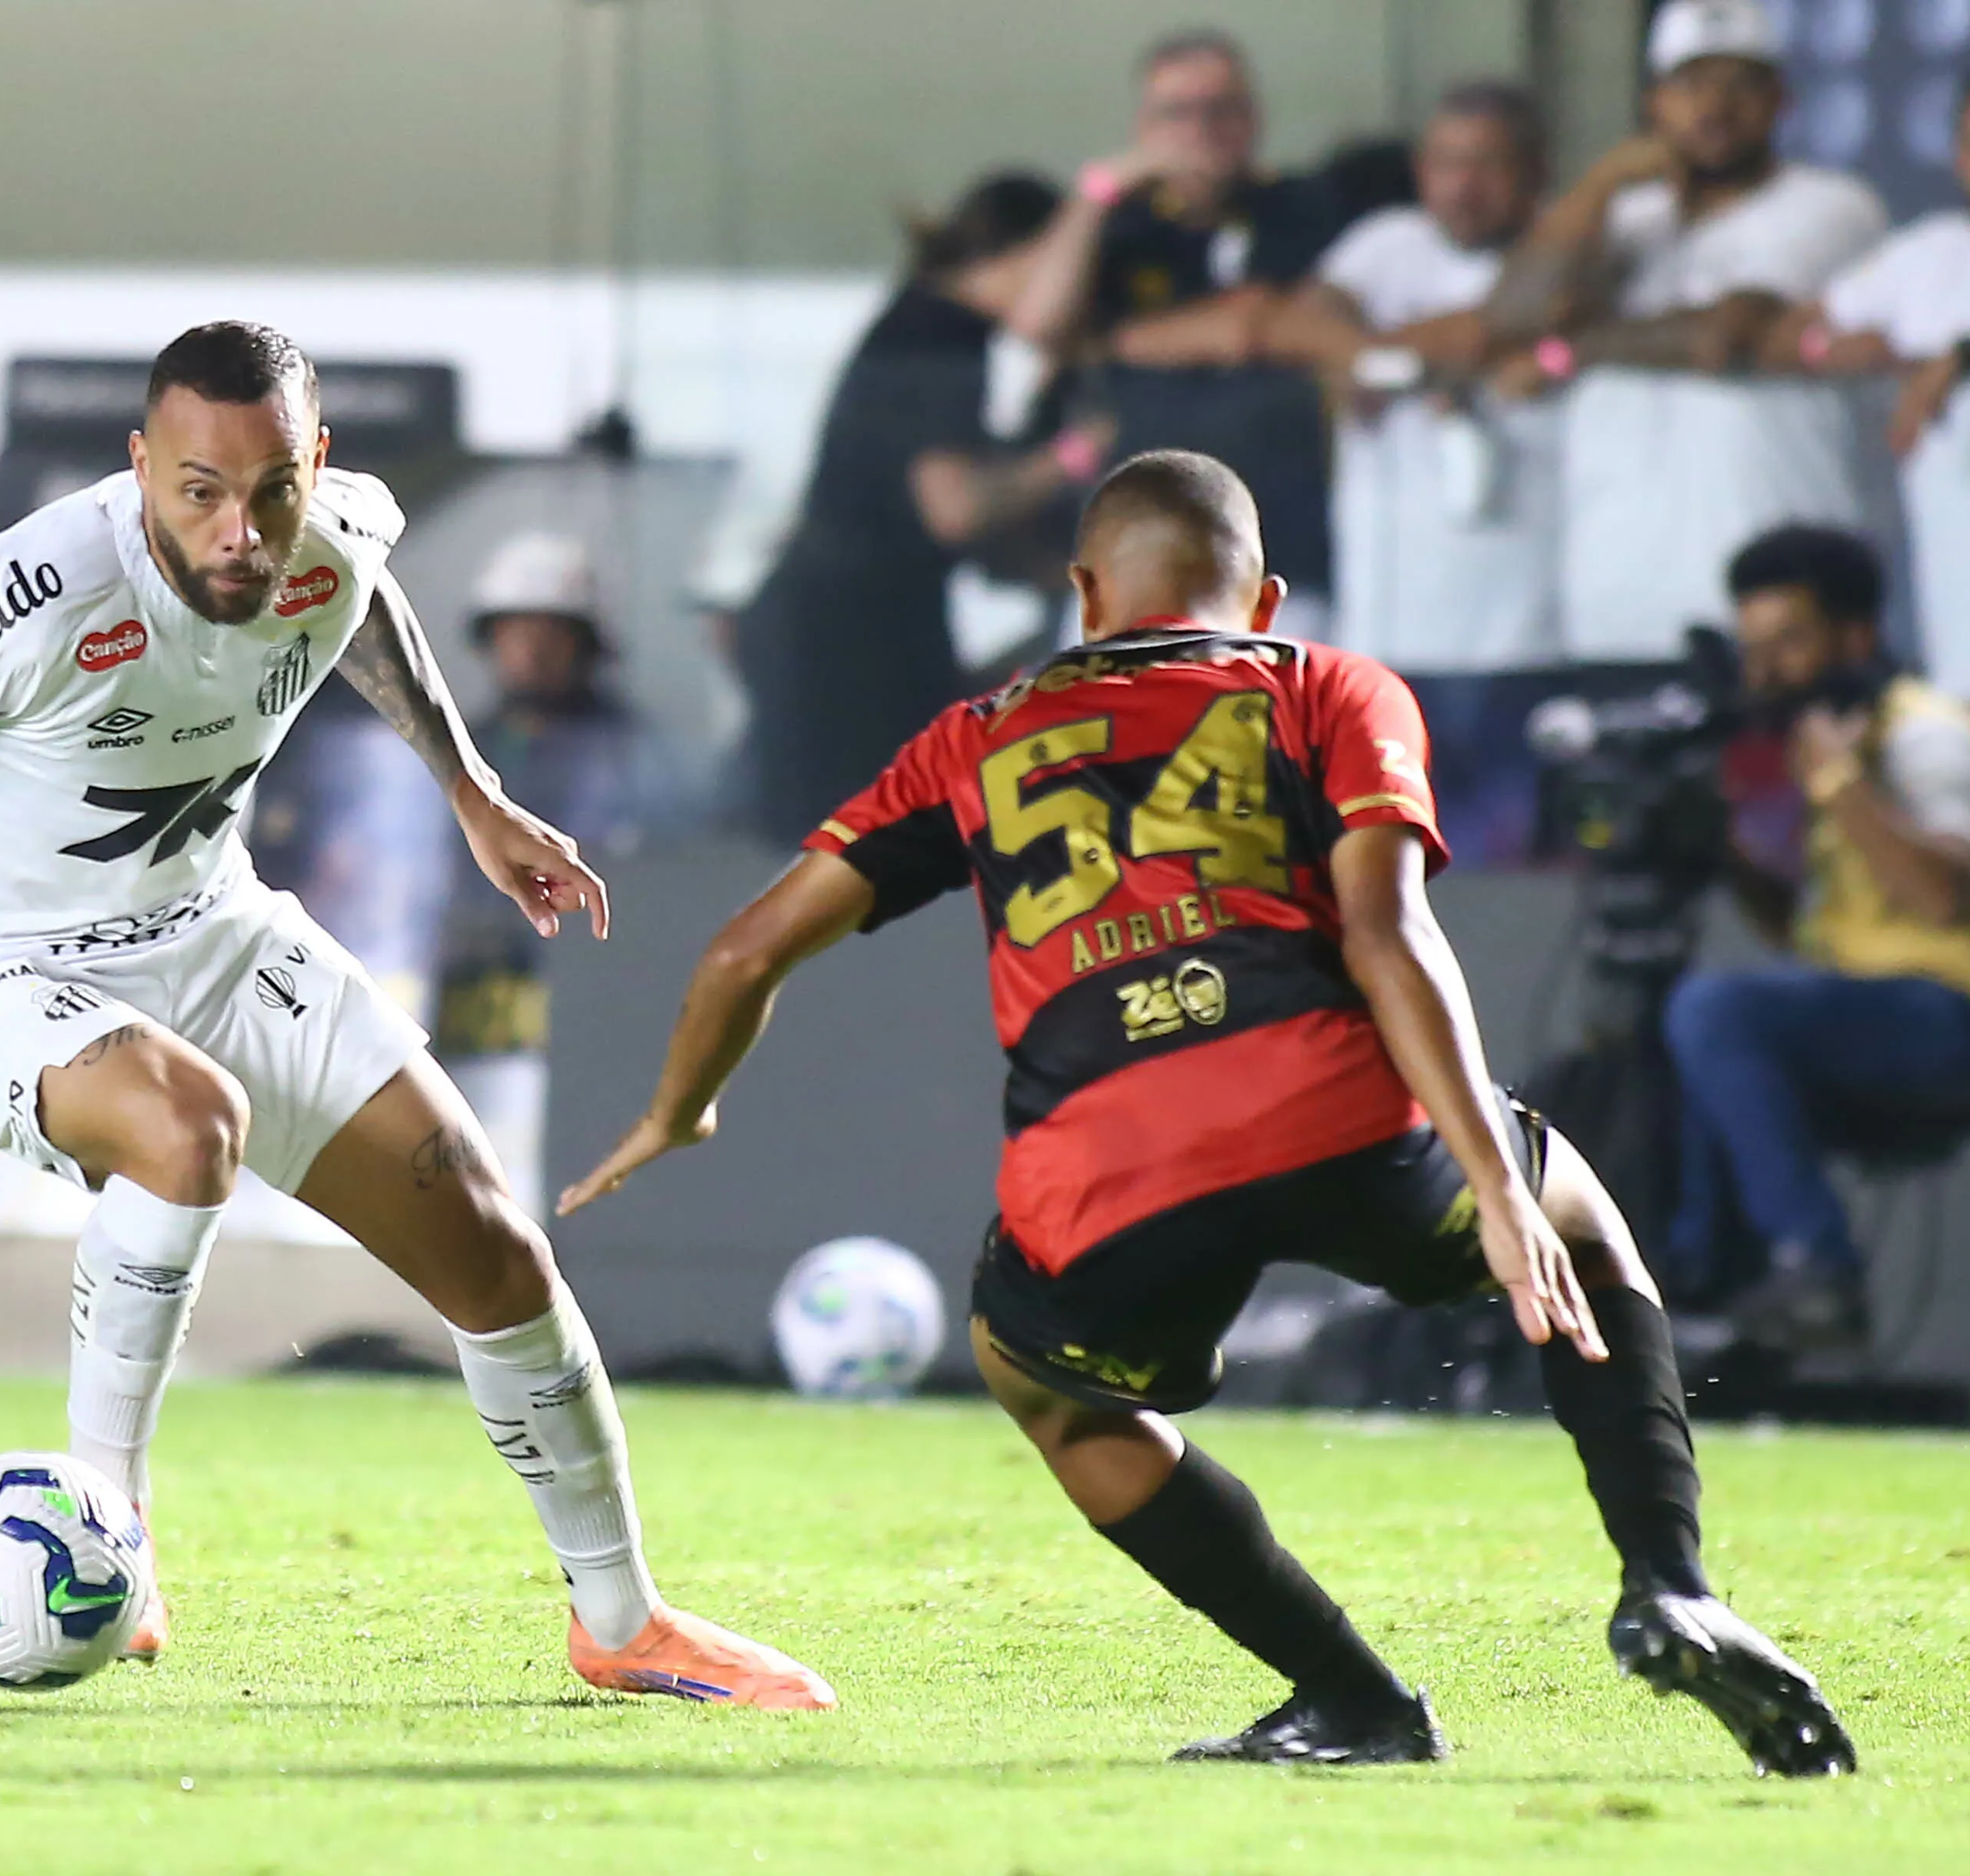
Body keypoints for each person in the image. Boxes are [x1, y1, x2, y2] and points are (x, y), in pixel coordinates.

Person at [562, 450, 1856, 1776]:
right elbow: (1386, 931)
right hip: (1333, 1109)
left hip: (1110, 1169)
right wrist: (1497, 1181)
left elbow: (738, 954)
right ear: (1267, 596)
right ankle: (1667, 1577)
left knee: (1040, 1377)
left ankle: (1350, 1696)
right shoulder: (1326, 685)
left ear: (1081, 592)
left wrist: (681, 1108)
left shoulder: (977, 735)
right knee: (1575, 1214)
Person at [0, 322, 832, 1708]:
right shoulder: (28, 595)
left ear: (312, 465)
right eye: (199, 490)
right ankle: (117, 1525)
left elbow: (360, 598)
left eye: (272, 489)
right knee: (184, 1123)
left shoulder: (319, 542)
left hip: (210, 932)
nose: (239, 529)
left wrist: (469, 792)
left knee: (490, 1242)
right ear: (140, 465)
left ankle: (623, 1621)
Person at [1667, 526, 1970, 1350]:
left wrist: (1840, 784)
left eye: (1791, 643)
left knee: (1717, 1011)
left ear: (1857, 638)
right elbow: (1813, 938)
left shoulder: (1925, 736)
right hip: (1872, 1004)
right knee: (1692, 1027)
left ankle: (1819, 1267)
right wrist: (1727, 856)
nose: (1766, 672)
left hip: (1953, 1018)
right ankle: (1695, 1285)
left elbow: (1941, 895)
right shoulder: (1833, 751)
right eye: (1753, 648)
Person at [1482, 0, 1888, 658]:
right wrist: (1600, 181)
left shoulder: (1831, 205)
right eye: (1690, 84)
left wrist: (1569, 349)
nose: (1715, 107)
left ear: (1779, 99)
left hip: (1779, 609)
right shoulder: (1624, 217)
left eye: (1740, 85)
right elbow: (1503, 323)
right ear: (1653, 102)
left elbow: (1722, 336)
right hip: (1616, 597)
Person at [737, 171, 1110, 843]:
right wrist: (1075, 455)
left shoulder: (920, 331)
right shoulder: (937, 334)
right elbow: (955, 508)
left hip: (860, 626)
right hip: (842, 644)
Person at [1770, 63, 1970, 870]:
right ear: (1959, 156)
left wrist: (1969, 356)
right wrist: (1836, 350)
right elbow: (1792, 337)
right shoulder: (1924, 261)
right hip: (1965, 654)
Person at [1264, 80, 1555, 672]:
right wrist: (1371, 362)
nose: (1463, 186)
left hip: (1523, 630)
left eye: (1487, 163)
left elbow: (1481, 331)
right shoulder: (1387, 243)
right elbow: (1294, 324)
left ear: (1534, 169)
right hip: (1383, 629)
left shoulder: (1553, 249)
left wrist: (1378, 365)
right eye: (1445, 164)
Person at [437, 530, 645, 1217]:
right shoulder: (454, 750)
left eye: (550, 631)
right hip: (461, 1002)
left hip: (573, 1003)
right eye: (514, 629)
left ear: (584, 645)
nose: (529, 647)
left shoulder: (633, 756)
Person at [1010, 31, 1345, 366]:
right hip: (1142, 409)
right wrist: (1094, 196)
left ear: (1253, 118)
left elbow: (1260, 323)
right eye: (1178, 112)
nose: (1201, 129)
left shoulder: (1302, 204)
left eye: (1221, 109)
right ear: (1144, 127)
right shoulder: (1123, 221)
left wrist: (1125, 339)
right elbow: (1036, 328)